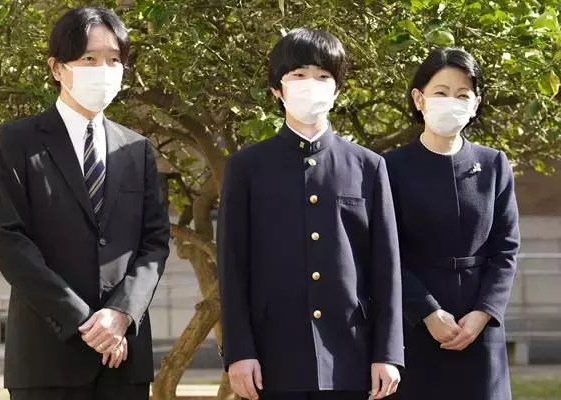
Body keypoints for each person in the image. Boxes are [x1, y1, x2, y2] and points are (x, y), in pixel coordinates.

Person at [0, 7, 170, 400]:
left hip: (124, 358)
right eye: (89, 58)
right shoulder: (18, 142)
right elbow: (10, 241)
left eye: (114, 60)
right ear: (57, 68)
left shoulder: (136, 149)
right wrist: (84, 321)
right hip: (47, 357)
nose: (103, 70)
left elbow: (154, 243)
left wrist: (121, 314)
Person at [218, 28, 404, 400]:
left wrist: (387, 353)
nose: (311, 85)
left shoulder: (368, 166)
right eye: (299, 75)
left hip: (351, 354)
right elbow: (232, 266)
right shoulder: (246, 167)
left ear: (337, 89)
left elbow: (386, 268)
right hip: (272, 358)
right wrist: (239, 351)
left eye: (323, 76)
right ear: (277, 89)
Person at [383, 48, 520, 400]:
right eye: (441, 92)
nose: (452, 102)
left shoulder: (494, 164)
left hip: (479, 328)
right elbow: (384, 252)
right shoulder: (389, 167)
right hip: (414, 324)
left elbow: (506, 249)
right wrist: (427, 312)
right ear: (419, 99)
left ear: (475, 104)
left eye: (463, 95)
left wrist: (484, 312)